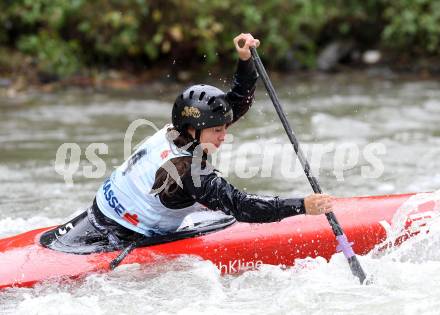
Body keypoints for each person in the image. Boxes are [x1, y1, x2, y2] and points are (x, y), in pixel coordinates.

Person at [41, 33, 334, 253]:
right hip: (118, 239)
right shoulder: (189, 171)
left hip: (97, 213)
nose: (225, 135)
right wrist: (302, 206)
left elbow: (234, 106)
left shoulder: (175, 130)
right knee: (224, 204)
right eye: (218, 130)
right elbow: (244, 208)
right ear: (195, 129)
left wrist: (245, 62)